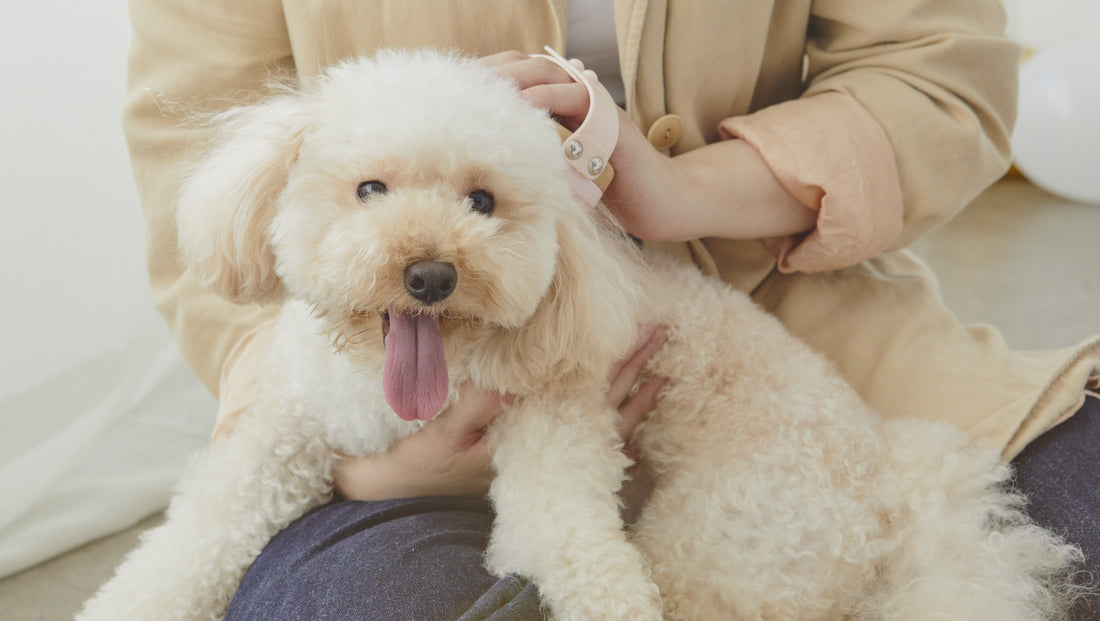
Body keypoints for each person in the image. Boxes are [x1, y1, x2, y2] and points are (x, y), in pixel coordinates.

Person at [123, 0, 1099, 618]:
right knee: (369, 598)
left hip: (796, 340)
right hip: (386, 411)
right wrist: (379, 471)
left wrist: (674, 190)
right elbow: (186, 163)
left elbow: (936, 72)